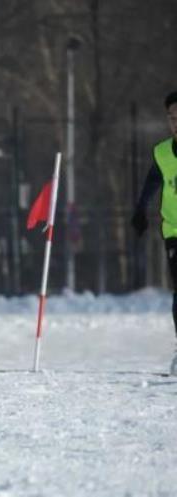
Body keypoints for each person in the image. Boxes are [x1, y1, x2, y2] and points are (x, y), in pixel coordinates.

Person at [131, 90, 177, 375]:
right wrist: (140, 211)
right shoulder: (163, 153)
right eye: (173, 118)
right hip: (174, 230)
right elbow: (151, 184)